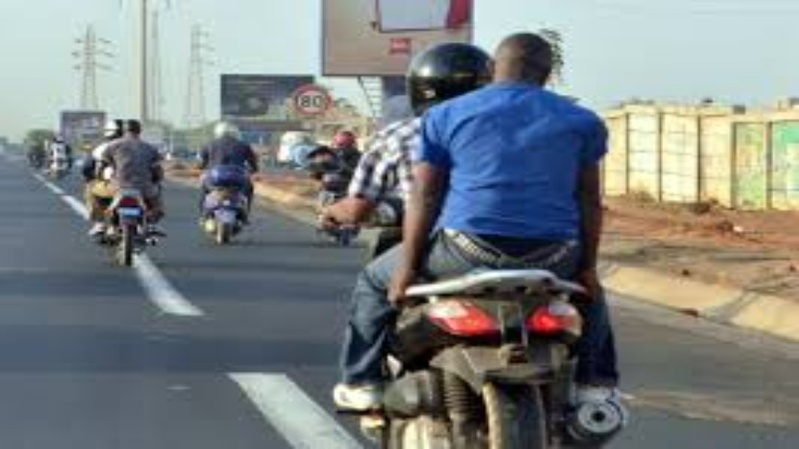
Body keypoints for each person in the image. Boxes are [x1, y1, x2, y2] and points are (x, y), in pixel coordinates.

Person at [333, 33, 624, 417]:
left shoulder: (444, 116)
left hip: (463, 252)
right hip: (553, 255)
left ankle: (361, 382)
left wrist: (406, 269)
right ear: (548, 74)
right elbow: (589, 201)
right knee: (592, 297)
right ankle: (594, 387)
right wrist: (586, 268)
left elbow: (426, 196)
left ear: (491, 71)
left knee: (373, 280)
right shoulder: (583, 121)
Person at [321, 42, 490, 235]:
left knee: (380, 266)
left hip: (448, 244)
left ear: (421, 88)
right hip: (523, 247)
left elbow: (356, 209)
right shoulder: (513, 132)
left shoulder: (400, 135)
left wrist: (330, 212)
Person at [101, 119, 165, 234]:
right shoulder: (150, 148)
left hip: (118, 186)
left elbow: (102, 166)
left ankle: (102, 223)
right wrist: (155, 180)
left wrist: (103, 178)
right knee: (157, 204)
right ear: (139, 131)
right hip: (144, 187)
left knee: (99, 194)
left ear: (124, 131)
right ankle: (152, 224)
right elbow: (158, 172)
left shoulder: (112, 146)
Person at [198, 121, 259, 219]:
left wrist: (201, 167)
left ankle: (203, 214)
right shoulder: (243, 145)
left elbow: (201, 164)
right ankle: (246, 213)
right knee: (249, 189)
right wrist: (253, 170)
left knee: (204, 190)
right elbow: (253, 164)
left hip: (215, 177)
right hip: (237, 177)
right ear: (235, 133)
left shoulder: (209, 144)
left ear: (218, 132)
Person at [86, 119, 124, 236]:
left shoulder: (102, 148)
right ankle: (151, 224)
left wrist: (92, 177)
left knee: (90, 188)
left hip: (111, 185)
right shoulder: (138, 146)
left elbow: (87, 167)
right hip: (139, 185)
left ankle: (100, 222)